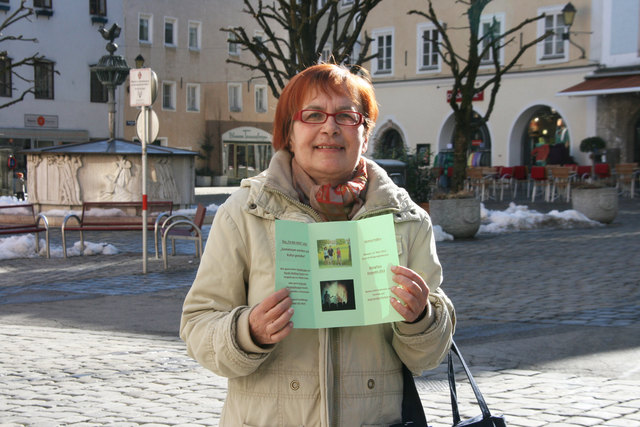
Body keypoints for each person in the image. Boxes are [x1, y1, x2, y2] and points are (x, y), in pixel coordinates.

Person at [180, 64, 455, 426]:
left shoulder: (406, 220)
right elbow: (198, 325)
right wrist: (248, 332)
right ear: (289, 134)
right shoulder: (244, 213)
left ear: (366, 133)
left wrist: (422, 318)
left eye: (346, 115)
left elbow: (428, 357)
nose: (330, 127)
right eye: (313, 115)